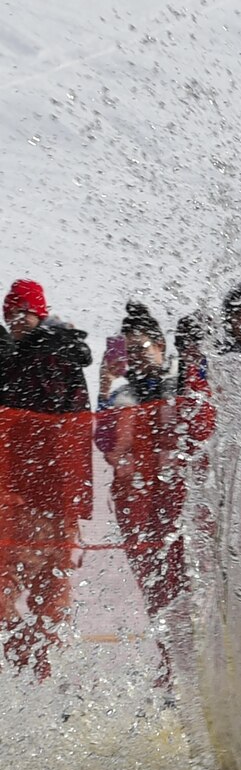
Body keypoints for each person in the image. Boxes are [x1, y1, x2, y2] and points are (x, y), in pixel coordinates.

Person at [0, 280, 93, 678]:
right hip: (27, 498)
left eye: (23, 312)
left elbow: (69, 424)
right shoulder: (18, 357)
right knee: (27, 594)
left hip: (43, 498)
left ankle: (41, 672)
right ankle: (30, 662)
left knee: (49, 596)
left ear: (39, 312)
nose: (17, 320)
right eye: (10, 314)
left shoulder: (54, 355)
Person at [95, 304, 188, 620]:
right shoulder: (123, 396)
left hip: (181, 508)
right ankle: (170, 666)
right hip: (137, 512)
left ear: (161, 345)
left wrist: (191, 364)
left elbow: (200, 426)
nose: (134, 356)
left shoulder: (180, 384)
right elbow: (104, 442)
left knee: (189, 590)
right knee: (156, 596)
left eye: (141, 347)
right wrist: (104, 381)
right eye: (127, 350)